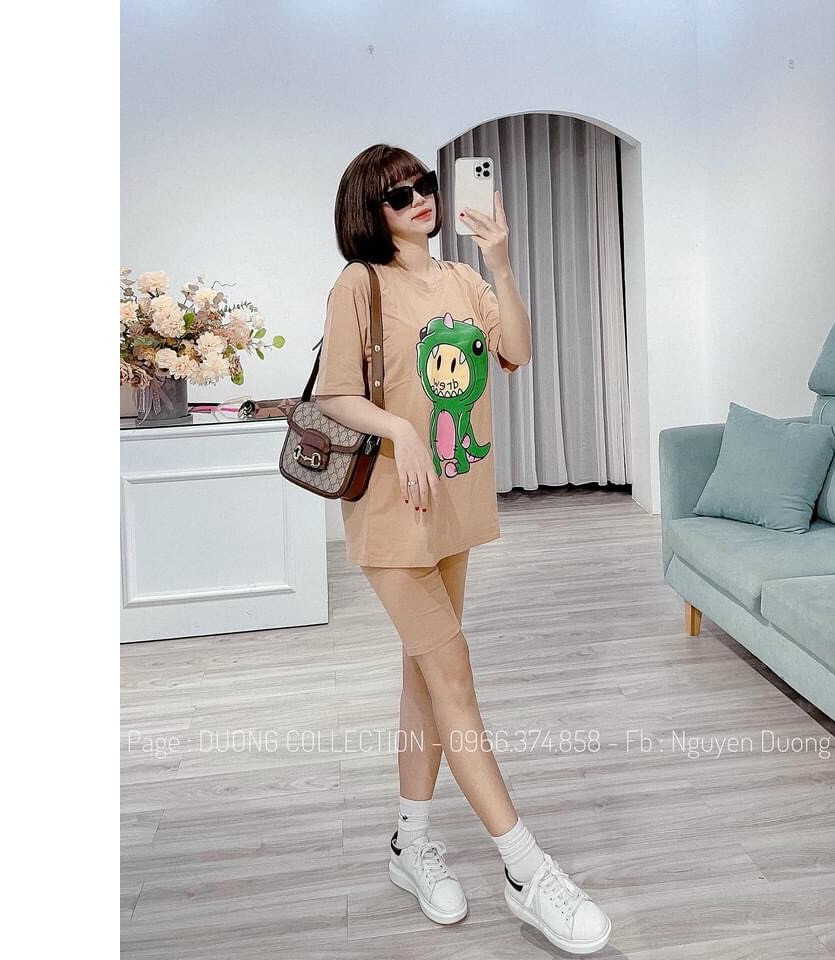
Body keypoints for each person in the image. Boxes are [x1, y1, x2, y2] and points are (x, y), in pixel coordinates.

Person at [314, 144, 611, 955]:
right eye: (398, 193)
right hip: (391, 512)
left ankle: (410, 842)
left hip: (455, 504)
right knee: (454, 678)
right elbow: (336, 392)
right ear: (370, 210)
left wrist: (501, 262)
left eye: (424, 184)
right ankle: (526, 870)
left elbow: (517, 350)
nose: (420, 197)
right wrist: (401, 427)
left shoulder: (461, 279)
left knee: (424, 679)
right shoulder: (359, 284)